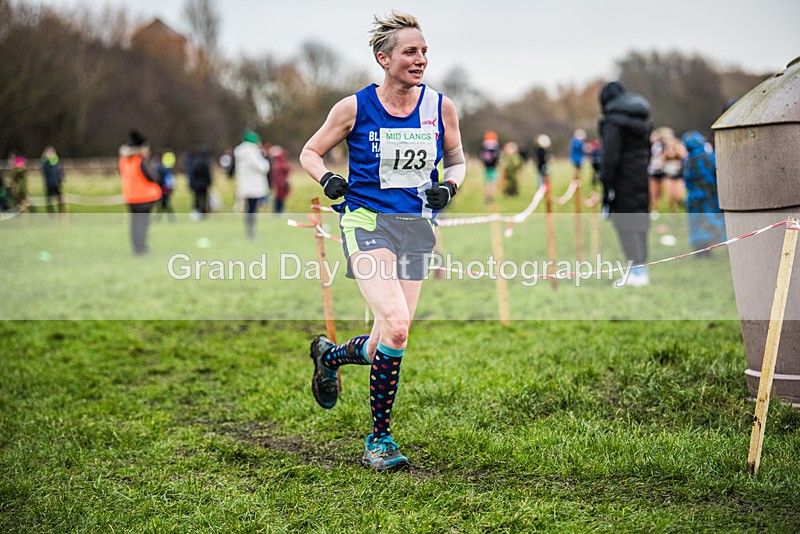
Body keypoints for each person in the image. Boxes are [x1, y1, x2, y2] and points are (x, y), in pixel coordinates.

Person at [299, 11, 465, 471]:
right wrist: (329, 179)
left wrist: (449, 188)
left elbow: (457, 160)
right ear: (384, 58)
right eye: (411, 52)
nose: (421, 60)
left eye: (425, 51)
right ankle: (379, 440)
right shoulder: (353, 108)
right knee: (395, 325)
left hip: (416, 226)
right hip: (366, 222)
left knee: (385, 340)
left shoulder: (439, 106)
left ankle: (329, 356)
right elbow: (309, 152)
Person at [598, 81, 652, 287]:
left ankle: (637, 273)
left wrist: (606, 181)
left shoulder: (614, 121)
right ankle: (641, 269)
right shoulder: (642, 119)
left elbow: (610, 156)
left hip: (622, 179)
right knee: (640, 221)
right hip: (640, 176)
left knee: (625, 224)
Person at [681, 130, 726, 255]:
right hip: (708, 197)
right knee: (712, 221)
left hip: (694, 198)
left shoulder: (688, 161)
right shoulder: (709, 157)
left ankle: (700, 249)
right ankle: (711, 246)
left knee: (696, 223)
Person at [119, 130, 162, 256]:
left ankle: (136, 248)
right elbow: (153, 177)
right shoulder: (141, 161)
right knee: (142, 224)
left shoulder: (124, 161)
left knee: (134, 224)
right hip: (144, 197)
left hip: (131, 197)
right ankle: (142, 249)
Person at [234, 131, 270, 238]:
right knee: (252, 208)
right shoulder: (251, 152)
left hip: (246, 184)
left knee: (250, 208)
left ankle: (250, 229)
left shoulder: (241, 152)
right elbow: (261, 167)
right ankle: (250, 230)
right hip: (253, 185)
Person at [188, 145, 213, 219]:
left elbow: (192, 174)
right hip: (203, 184)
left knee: (197, 199)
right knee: (204, 200)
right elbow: (207, 175)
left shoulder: (195, 162)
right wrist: (209, 182)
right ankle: (203, 213)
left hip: (197, 184)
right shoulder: (206, 163)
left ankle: (197, 212)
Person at [40, 146, 64, 214]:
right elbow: (44, 170)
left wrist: (60, 180)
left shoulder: (57, 161)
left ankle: (61, 212)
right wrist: (47, 160)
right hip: (48, 184)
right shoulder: (44, 162)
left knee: (59, 199)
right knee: (49, 200)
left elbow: (60, 173)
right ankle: (51, 214)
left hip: (56, 184)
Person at [155, 149, 177, 223]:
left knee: (164, 204)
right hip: (165, 189)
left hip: (164, 189)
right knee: (164, 204)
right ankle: (169, 219)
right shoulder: (165, 168)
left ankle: (163, 219)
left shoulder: (161, 168)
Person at [268, 145, 291, 214]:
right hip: (280, 183)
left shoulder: (275, 161)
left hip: (279, 182)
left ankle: (279, 210)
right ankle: (278, 211)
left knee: (280, 197)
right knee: (279, 197)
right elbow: (285, 169)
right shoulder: (280, 162)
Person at [479, 130, 500, 203]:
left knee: (487, 182)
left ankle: (487, 196)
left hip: (487, 166)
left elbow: (482, 156)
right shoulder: (495, 147)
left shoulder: (484, 146)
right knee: (492, 182)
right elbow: (497, 157)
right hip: (493, 167)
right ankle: (491, 197)